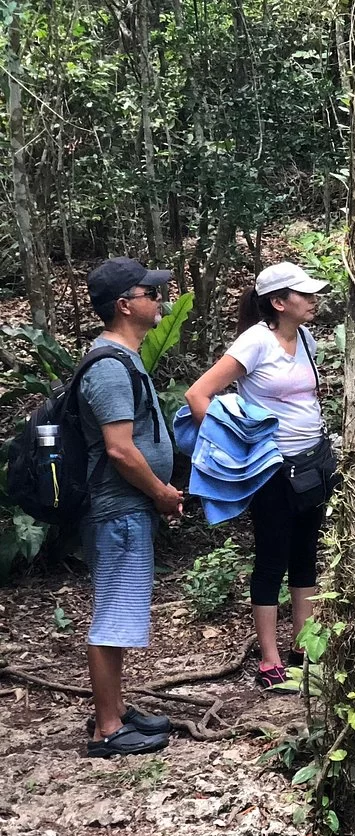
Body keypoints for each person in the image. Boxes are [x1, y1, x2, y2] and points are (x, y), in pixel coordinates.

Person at [185, 262, 332, 690]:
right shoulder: (255, 341)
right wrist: (235, 451)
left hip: (312, 463)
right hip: (273, 470)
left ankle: (303, 649)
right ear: (279, 302)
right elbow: (198, 394)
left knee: (305, 555)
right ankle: (270, 659)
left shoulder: (306, 339)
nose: (313, 300)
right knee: (272, 559)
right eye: (304, 294)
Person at [80, 257, 183, 757]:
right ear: (125, 305)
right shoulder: (109, 367)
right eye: (151, 293)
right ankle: (107, 730)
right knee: (112, 616)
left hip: (129, 507)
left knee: (120, 613)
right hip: (119, 509)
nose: (160, 300)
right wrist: (160, 492)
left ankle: (116, 710)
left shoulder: (124, 358)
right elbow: (120, 450)